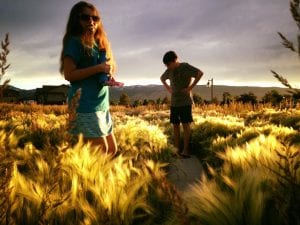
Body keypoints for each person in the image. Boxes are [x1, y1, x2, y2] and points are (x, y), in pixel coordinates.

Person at [60, 1, 122, 155]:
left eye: (95, 18)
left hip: (101, 103)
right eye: (85, 17)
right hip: (85, 104)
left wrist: (108, 76)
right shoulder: (74, 42)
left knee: (112, 150)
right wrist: (98, 68)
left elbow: (98, 72)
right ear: (77, 20)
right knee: (101, 152)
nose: (91, 21)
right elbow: (69, 74)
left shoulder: (98, 43)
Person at [160, 51, 203, 158]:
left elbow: (200, 73)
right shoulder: (169, 70)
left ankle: (185, 150)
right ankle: (176, 149)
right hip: (174, 102)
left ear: (175, 60)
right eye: (166, 65)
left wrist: (190, 88)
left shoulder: (185, 67)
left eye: (168, 64)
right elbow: (162, 78)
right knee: (175, 125)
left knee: (185, 125)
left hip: (185, 101)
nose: (167, 67)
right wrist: (169, 88)